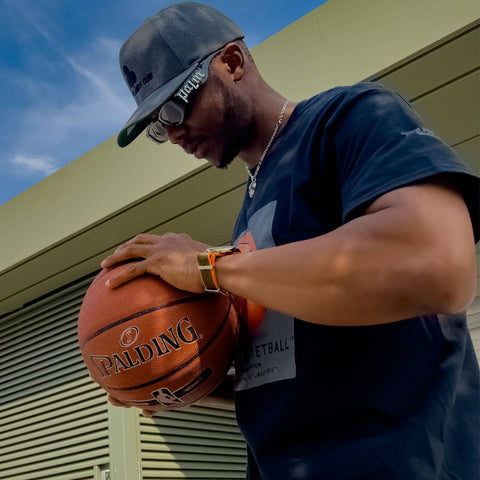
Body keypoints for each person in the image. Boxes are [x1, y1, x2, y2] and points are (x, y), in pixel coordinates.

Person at [102, 2, 480, 479]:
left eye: (177, 105)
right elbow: (295, 361)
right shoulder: (250, 210)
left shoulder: (350, 118)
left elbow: (436, 264)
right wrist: (172, 376)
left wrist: (210, 267)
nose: (174, 133)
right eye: (157, 126)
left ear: (232, 63)